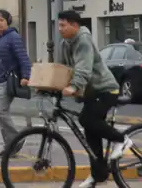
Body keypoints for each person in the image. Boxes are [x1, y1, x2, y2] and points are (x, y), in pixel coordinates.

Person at [54, 10, 132, 187]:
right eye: (58, 25)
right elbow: (62, 68)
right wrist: (48, 85)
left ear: (75, 25)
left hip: (105, 89)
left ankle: (122, 140)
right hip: (91, 93)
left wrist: (74, 86)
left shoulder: (83, 39)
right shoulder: (65, 43)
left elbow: (84, 67)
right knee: (90, 135)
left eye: (63, 25)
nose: (59, 29)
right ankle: (98, 174)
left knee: (86, 119)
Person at [0, 9, 31, 159]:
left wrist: (26, 76)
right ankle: (10, 146)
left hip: (8, 80)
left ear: (7, 21)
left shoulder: (13, 37)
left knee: (0, 111)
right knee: (0, 113)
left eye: (1, 20)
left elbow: (23, 57)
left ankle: (16, 140)